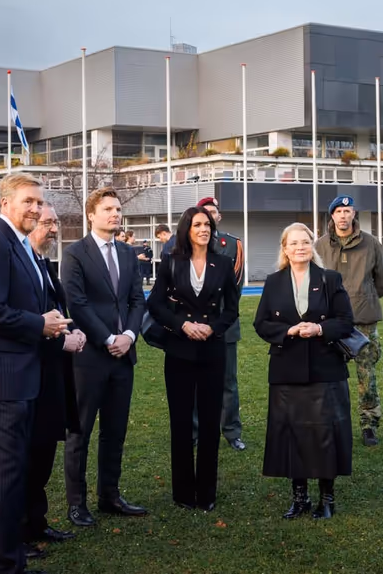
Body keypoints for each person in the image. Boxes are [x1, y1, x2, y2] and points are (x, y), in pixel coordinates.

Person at [0, 172, 69, 573]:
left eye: (39, 202)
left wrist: (48, 323)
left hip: (17, 380)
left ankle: (1, 562)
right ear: (5, 204)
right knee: (3, 484)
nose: (36, 209)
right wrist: (40, 324)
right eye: (28, 201)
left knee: (7, 483)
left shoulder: (18, 245)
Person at [61, 186, 149, 527]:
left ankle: (109, 496)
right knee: (80, 432)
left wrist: (128, 336)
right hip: (89, 358)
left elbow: (137, 300)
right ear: (91, 215)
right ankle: (76, 503)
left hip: (123, 357)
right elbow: (77, 303)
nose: (115, 214)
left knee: (115, 431)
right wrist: (109, 338)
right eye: (108, 209)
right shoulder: (75, 254)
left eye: (118, 209)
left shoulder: (127, 253)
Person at [254, 222, 355, 520]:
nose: (300, 247)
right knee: (291, 434)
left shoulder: (330, 279)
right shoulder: (273, 282)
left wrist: (319, 328)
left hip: (326, 369)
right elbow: (261, 323)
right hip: (287, 371)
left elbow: (346, 321)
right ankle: (300, 498)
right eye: (294, 243)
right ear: (285, 249)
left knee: (326, 434)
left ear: (312, 246)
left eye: (305, 242)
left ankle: (327, 498)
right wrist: (289, 331)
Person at [147, 207, 240, 511]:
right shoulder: (171, 261)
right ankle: (183, 492)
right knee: (181, 421)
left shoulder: (223, 263)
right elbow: (156, 304)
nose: (204, 229)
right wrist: (183, 325)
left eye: (207, 224)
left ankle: (207, 492)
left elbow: (232, 309)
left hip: (212, 349)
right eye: (197, 224)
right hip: (179, 350)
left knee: (211, 421)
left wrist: (213, 328)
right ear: (186, 229)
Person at [24, 204, 85, 549]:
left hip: (52, 375)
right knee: (28, 458)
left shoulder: (44, 264)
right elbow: (24, 322)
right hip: (30, 375)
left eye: (55, 222)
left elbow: (57, 313)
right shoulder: (20, 266)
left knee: (44, 454)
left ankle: (37, 523)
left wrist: (73, 331)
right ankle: (19, 531)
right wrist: (63, 341)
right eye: (47, 222)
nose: (53, 228)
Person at [315, 194, 383, 447]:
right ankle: (330, 420)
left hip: (363, 320)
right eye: (339, 211)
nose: (343, 216)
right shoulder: (320, 246)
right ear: (332, 215)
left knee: (366, 375)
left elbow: (382, 282)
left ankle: (369, 424)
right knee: (329, 374)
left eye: (348, 211)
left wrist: (363, 298)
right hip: (331, 321)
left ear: (354, 214)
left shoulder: (371, 243)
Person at [193, 197, 247, 451]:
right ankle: (194, 431)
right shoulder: (186, 244)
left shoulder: (233, 244)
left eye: (213, 212)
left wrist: (217, 320)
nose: (209, 216)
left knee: (228, 382)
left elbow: (235, 286)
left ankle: (231, 431)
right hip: (193, 326)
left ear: (219, 216)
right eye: (204, 212)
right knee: (194, 381)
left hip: (225, 325)